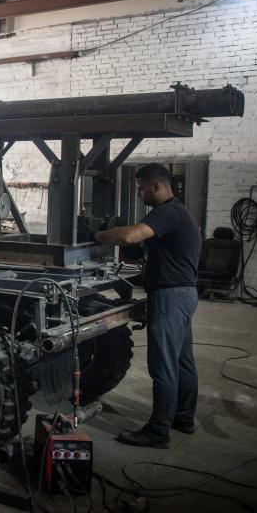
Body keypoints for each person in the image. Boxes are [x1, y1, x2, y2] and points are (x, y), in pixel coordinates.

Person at [93, 163, 201, 448]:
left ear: (157, 186)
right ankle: (184, 418)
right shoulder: (177, 212)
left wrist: (100, 235)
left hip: (171, 296)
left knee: (163, 366)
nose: (140, 193)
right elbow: (143, 248)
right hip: (183, 293)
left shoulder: (168, 212)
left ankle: (158, 432)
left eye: (141, 188)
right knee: (182, 360)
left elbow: (130, 236)